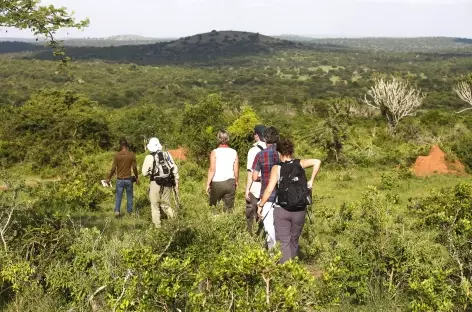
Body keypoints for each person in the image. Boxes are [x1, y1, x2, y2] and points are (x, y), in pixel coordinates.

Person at [258, 137, 321, 264]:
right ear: (291, 151)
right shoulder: (300, 163)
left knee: (284, 241)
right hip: (299, 210)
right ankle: (294, 269)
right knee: (294, 240)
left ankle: (285, 270)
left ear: (279, 153)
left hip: (282, 209)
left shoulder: (277, 167)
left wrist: (261, 204)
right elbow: (317, 161)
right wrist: (311, 180)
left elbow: (269, 189)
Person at [251, 126, 280, 249]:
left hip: (266, 197)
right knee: (280, 227)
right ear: (277, 139)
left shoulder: (260, 155)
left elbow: (254, 176)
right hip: (282, 196)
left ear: (265, 139)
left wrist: (262, 179)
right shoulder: (281, 154)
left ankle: (273, 257)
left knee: (269, 229)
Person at [142, 137, 180, 227]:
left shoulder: (149, 157)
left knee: (155, 206)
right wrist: (176, 180)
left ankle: (158, 227)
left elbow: (144, 173)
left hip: (155, 182)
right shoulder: (167, 154)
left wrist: (151, 171)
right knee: (166, 205)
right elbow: (173, 167)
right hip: (167, 182)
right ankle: (175, 221)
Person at [206, 130, 239, 213]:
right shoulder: (234, 152)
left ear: (218, 139)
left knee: (214, 208)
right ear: (228, 139)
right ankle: (227, 224)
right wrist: (236, 181)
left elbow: (212, 169)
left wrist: (208, 183)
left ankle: (215, 224)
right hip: (230, 182)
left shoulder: (214, 152)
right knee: (228, 210)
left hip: (217, 183)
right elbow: (236, 170)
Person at [106, 138, 139, 217]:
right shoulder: (131, 155)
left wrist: (109, 178)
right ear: (126, 145)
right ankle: (130, 212)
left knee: (118, 196)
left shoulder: (117, 155)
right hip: (129, 179)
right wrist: (137, 178)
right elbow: (134, 168)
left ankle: (117, 211)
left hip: (120, 180)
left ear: (120, 145)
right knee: (129, 196)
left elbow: (113, 168)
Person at [245, 125, 267, 235]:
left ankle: (251, 237)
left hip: (256, 187)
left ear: (257, 135)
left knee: (251, 216)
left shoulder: (253, 150)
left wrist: (247, 190)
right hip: (269, 187)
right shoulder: (274, 149)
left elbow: (250, 172)